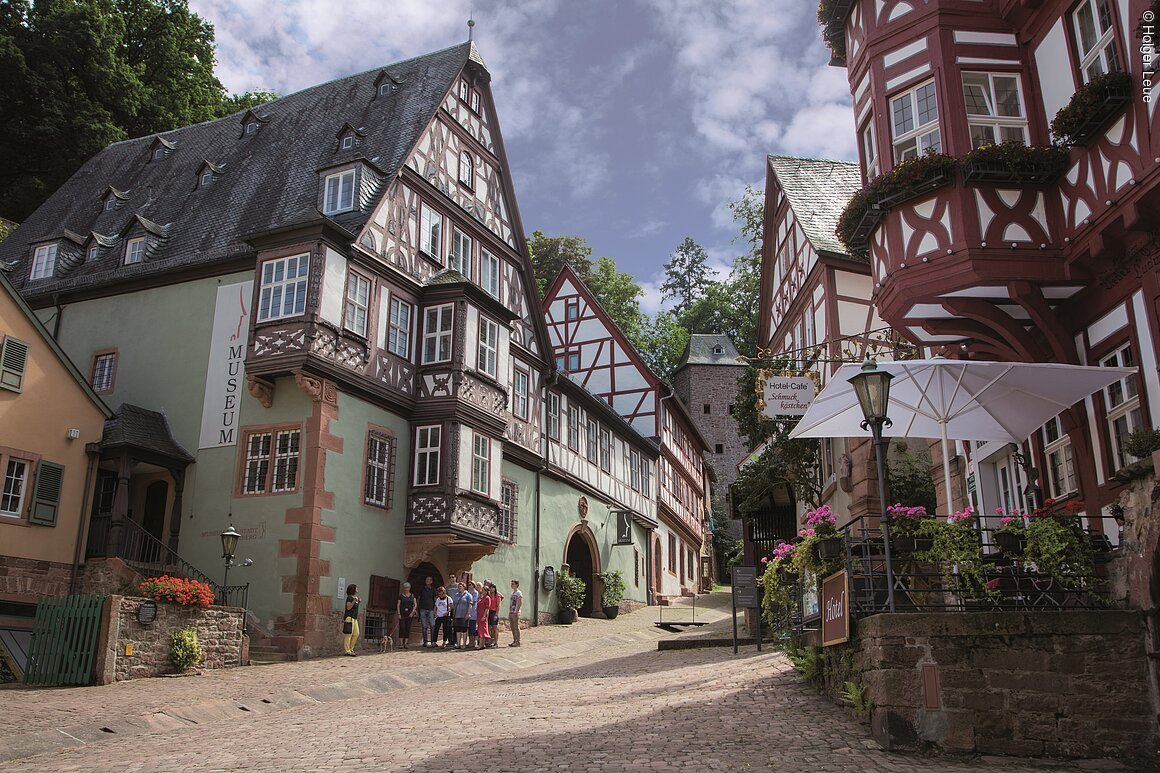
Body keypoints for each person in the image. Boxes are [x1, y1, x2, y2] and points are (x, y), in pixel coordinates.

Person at [452, 581, 473, 649]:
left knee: (464, 630)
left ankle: (464, 644)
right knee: (458, 630)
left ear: (464, 587)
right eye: (458, 587)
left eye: (460, 587)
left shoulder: (468, 595)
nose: (459, 588)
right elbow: (453, 604)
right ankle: (458, 643)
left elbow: (470, 605)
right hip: (457, 615)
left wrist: (468, 613)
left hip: (464, 615)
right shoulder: (456, 595)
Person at [418, 576, 437, 648]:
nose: (427, 581)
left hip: (431, 610)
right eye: (426, 580)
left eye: (429, 580)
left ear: (431, 581)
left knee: (432, 626)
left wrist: (435, 610)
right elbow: (419, 599)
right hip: (423, 609)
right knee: (424, 626)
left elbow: (435, 600)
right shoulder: (422, 589)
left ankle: (432, 641)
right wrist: (418, 608)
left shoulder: (433, 590)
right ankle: (425, 642)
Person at [397, 582, 416, 650]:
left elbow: (415, 604)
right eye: (405, 588)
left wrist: (412, 612)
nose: (406, 589)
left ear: (409, 588)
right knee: (402, 627)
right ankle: (401, 643)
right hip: (402, 614)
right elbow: (398, 605)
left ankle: (406, 643)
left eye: (407, 588)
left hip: (409, 615)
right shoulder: (401, 596)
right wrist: (399, 614)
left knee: (408, 628)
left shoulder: (412, 596)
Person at [343, 583, 360, 656]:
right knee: (349, 634)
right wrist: (354, 601)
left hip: (354, 618)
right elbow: (348, 607)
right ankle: (347, 650)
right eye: (356, 587)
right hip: (349, 618)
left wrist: (358, 602)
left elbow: (354, 608)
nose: (357, 589)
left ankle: (351, 648)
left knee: (356, 633)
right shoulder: (350, 597)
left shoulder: (354, 597)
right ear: (353, 589)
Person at [475, 582, 493, 650]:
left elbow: (487, 608)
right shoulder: (481, 598)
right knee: (480, 630)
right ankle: (482, 644)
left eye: (484, 591)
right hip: (479, 615)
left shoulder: (487, 598)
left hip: (483, 615)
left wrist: (484, 616)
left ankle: (481, 644)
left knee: (482, 630)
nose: (483, 592)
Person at [444, 580, 462, 647]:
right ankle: (450, 640)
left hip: (456, 608)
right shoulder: (447, 587)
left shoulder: (458, 586)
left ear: (455, 578)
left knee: (455, 625)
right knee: (448, 625)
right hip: (449, 608)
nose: (451, 579)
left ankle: (455, 640)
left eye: (453, 577)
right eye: (450, 577)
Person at [487, 583, 504, 648]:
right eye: (490, 587)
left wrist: (496, 615)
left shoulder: (497, 596)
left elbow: (498, 606)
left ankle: (496, 642)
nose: (491, 589)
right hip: (488, 612)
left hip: (494, 612)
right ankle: (489, 641)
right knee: (489, 627)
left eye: (493, 587)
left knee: (495, 628)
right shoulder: (489, 595)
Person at [508, 579, 523, 647]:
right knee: (512, 627)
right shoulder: (512, 593)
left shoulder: (519, 593)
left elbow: (519, 603)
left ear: (517, 584)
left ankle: (518, 641)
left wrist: (516, 611)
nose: (512, 585)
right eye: (511, 584)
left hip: (515, 612)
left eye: (513, 584)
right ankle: (514, 640)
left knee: (516, 627)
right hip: (511, 611)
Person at [467, 581, 480, 648]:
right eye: (468, 585)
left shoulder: (475, 593)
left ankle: (473, 641)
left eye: (470, 585)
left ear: (473, 585)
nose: (469, 586)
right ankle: (470, 641)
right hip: (468, 611)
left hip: (473, 612)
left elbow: (474, 601)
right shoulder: (468, 592)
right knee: (469, 628)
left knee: (472, 627)